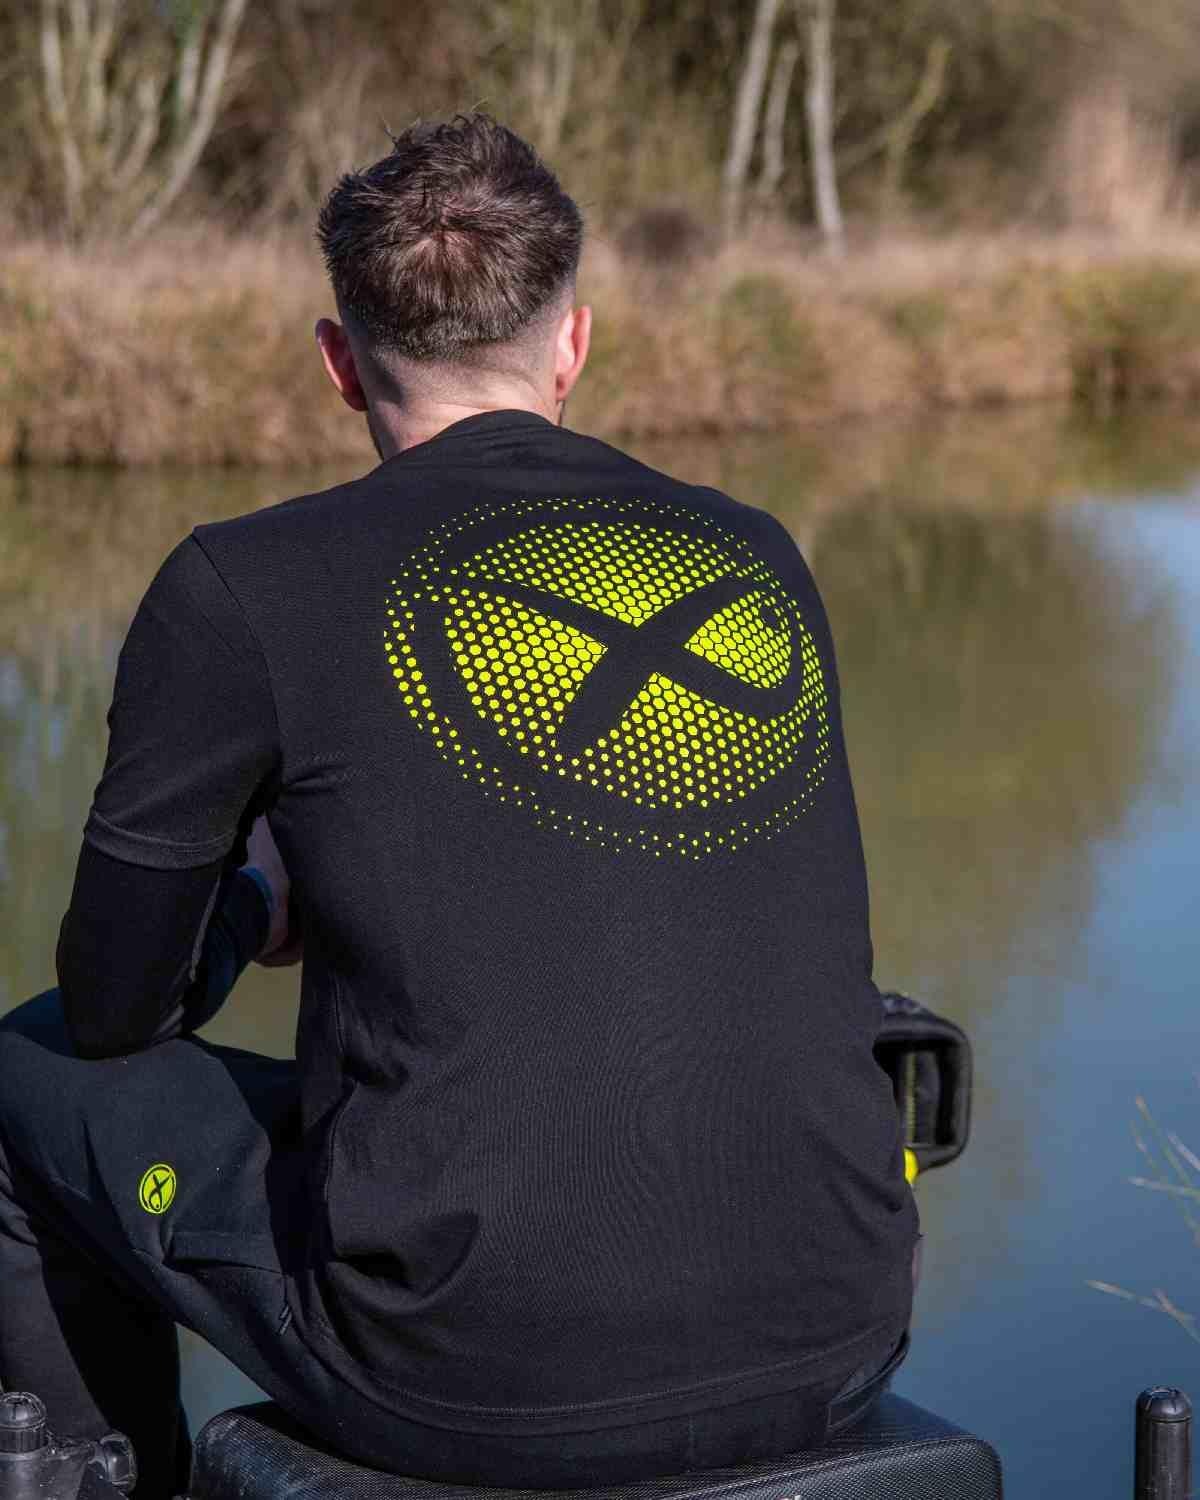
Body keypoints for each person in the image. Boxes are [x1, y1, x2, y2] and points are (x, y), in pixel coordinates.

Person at [0, 114, 918, 1495]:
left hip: (470, 1376)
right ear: (574, 341)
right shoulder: (756, 555)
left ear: (337, 360)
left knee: (28, 1071)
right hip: (846, 1330)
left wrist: (256, 897)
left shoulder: (242, 586)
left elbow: (117, 1008)